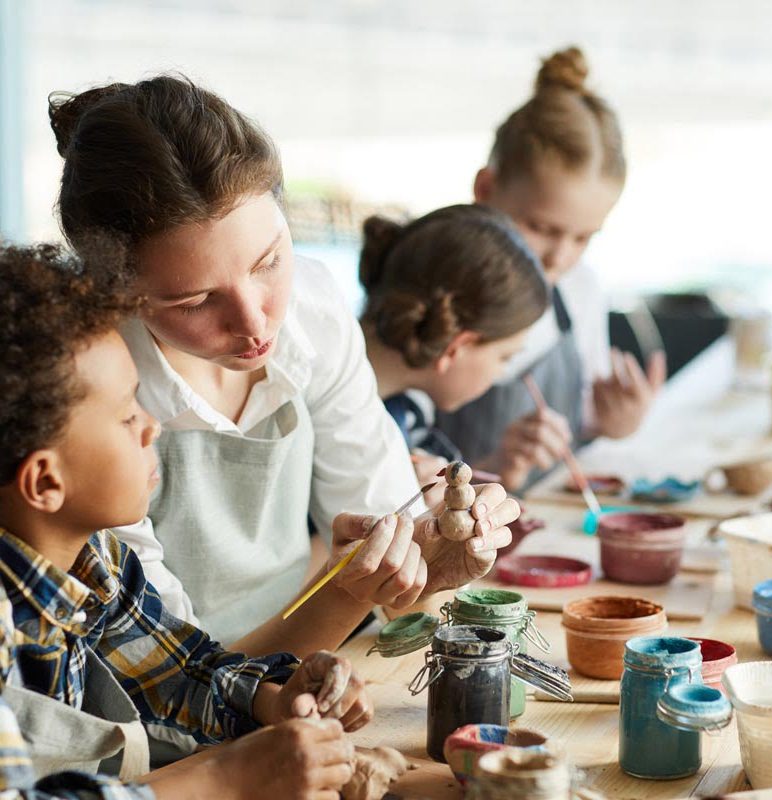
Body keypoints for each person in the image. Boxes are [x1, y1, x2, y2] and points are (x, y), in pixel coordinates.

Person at [47, 76, 518, 667]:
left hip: (305, 664)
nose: (255, 322)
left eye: (270, 261)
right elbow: (169, 681)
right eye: (194, 301)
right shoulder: (84, 388)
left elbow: (395, 550)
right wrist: (350, 591)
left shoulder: (313, 311)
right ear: (115, 292)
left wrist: (432, 561)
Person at [0, 243, 360, 799]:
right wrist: (225, 777)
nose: (152, 427)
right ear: (46, 482)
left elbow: (173, 673)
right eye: (127, 416)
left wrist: (273, 697)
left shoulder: (97, 558)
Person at [435, 47, 667, 492]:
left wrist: (608, 422)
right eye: (540, 227)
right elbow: (386, 475)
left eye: (583, 237)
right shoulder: (429, 294)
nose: (559, 257)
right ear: (486, 188)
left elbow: (577, 423)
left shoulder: (579, 290)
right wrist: (495, 465)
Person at [359, 204, 549, 499]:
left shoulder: (404, 410)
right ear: (457, 346)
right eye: (504, 358)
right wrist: (401, 508)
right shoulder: (327, 413)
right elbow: (290, 545)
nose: (501, 372)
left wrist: (495, 467)